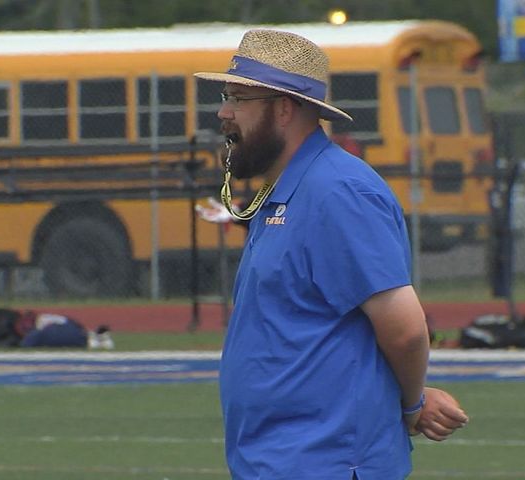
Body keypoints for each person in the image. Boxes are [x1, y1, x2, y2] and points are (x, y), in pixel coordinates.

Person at [194, 29, 469, 479]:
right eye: (226, 97)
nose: (223, 112)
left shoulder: (338, 191)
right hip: (286, 459)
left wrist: (412, 404)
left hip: (326, 461)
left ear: (284, 108)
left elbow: (405, 329)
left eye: (238, 98)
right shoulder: (289, 190)